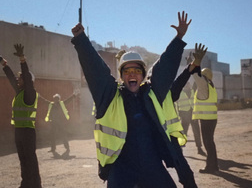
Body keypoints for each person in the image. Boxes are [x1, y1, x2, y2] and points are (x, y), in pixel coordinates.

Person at [71, 11, 197, 188]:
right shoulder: (110, 97)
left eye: (137, 71)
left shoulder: (152, 94)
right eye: (127, 71)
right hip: (121, 168)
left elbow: (164, 67)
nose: (132, 74)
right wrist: (81, 40)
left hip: (151, 164)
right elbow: (96, 69)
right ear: (121, 76)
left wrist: (178, 38)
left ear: (143, 76)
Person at [0, 44, 42, 188]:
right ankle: (26, 183)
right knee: (23, 160)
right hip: (19, 131)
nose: (18, 80)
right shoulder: (20, 92)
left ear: (29, 81)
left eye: (20, 78)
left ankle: (35, 185)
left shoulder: (30, 93)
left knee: (30, 160)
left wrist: (22, 60)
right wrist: (4, 65)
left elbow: (26, 78)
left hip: (28, 132)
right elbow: (11, 78)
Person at [172, 48, 207, 157]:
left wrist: (193, 63)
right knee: (183, 133)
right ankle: (181, 149)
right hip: (183, 114)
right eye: (185, 84)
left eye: (188, 83)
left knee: (197, 131)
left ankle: (199, 148)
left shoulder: (193, 90)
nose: (187, 84)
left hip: (193, 113)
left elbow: (195, 76)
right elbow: (184, 77)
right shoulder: (179, 92)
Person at [192, 67, 219, 174]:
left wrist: (194, 65)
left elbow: (196, 77)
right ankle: (214, 166)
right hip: (211, 119)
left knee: (208, 143)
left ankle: (211, 167)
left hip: (206, 120)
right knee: (210, 143)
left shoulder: (203, 85)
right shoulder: (211, 86)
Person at [44, 92, 77, 158]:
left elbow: (68, 100)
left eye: (56, 98)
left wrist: (73, 96)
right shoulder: (52, 104)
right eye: (54, 98)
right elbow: (45, 101)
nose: (55, 100)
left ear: (59, 99)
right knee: (52, 136)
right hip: (53, 122)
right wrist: (39, 97)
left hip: (60, 122)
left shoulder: (61, 104)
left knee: (63, 135)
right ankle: (53, 148)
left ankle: (67, 148)